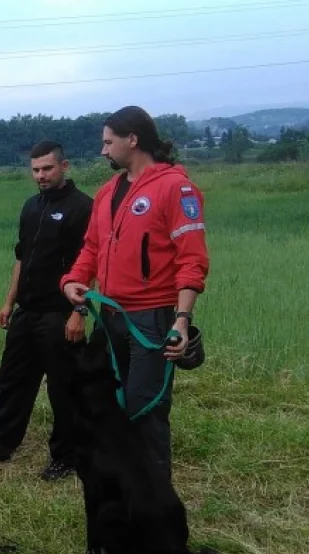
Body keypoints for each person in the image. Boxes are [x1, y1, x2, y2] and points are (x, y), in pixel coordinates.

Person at [61, 105, 210, 478]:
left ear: (133, 139)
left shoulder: (176, 187)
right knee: (107, 404)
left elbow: (192, 260)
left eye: (109, 142)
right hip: (109, 318)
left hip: (152, 319)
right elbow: (93, 248)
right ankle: (120, 493)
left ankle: (155, 506)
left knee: (146, 411)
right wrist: (74, 281)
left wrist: (182, 320)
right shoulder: (107, 192)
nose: (103, 150)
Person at [0, 140, 93, 480]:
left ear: (64, 167)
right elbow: (22, 258)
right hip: (27, 310)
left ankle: (66, 458)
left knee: (64, 389)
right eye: (35, 170)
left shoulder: (84, 209)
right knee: (12, 382)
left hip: (61, 313)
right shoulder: (31, 207)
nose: (40, 175)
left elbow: (91, 266)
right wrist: (8, 302)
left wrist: (80, 312)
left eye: (47, 168)